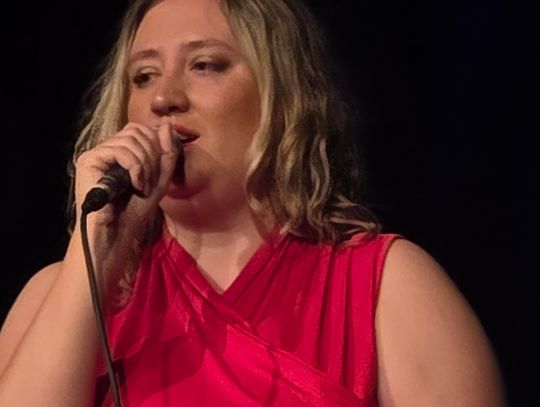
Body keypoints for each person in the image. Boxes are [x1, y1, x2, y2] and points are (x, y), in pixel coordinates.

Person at [0, 0, 505, 405]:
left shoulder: (387, 286)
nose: (163, 98)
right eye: (144, 75)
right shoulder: (58, 294)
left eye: (205, 65)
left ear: (281, 96)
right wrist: (98, 245)